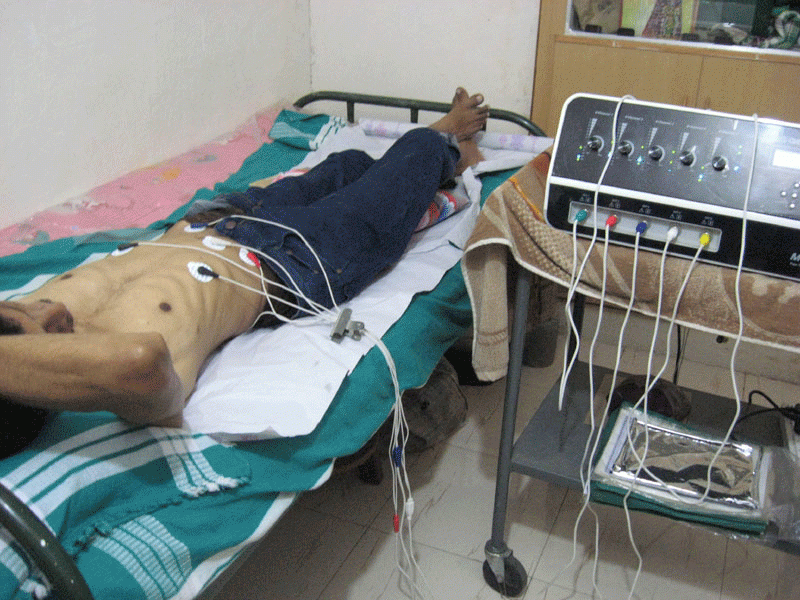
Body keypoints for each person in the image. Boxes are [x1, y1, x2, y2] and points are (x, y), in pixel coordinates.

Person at [0, 87, 489, 457]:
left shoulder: (20, 313)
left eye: (27, 311)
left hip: (222, 217)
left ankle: (421, 157)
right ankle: (451, 147)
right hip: (298, 257)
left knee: (346, 163)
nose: (53, 313)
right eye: (48, 334)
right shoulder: (129, 374)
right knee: (415, 153)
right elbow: (138, 359)